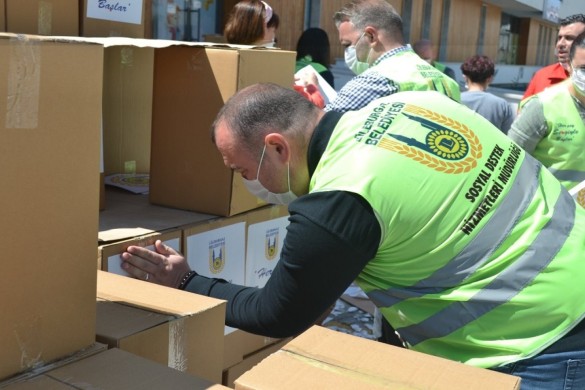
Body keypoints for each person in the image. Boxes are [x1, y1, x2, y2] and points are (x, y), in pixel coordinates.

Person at [122, 82, 585, 388]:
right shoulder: (416, 103)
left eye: (243, 169)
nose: (247, 182)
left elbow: (277, 312)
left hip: (541, 344)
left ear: (277, 148)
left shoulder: (339, 199)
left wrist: (186, 282)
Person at [321, 0, 460, 113]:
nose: (347, 52)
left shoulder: (376, 80)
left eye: (347, 44)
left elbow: (319, 127)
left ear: (371, 36)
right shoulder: (446, 80)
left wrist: (314, 92)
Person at [508, 31, 585, 191]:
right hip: (550, 211)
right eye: (583, 69)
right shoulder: (542, 106)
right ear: (569, 66)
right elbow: (509, 165)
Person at [522, 14, 585, 100]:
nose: (560, 44)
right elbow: (524, 111)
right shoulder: (542, 75)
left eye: (569, 38)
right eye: (559, 38)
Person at [460, 54, 516, 134]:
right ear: (490, 79)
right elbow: (509, 137)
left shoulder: (454, 99)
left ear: (465, 77)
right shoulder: (502, 105)